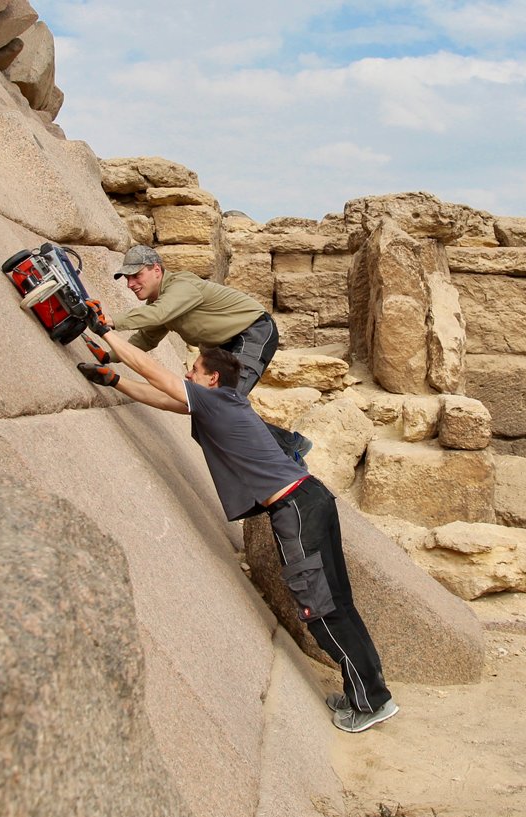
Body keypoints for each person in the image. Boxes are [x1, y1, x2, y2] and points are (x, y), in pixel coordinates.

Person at [76, 297, 397, 733]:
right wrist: (114, 380)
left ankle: (369, 704)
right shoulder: (218, 403)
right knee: (337, 602)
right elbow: (160, 397)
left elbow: (156, 375)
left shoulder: (216, 401)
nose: (187, 375)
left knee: (321, 608)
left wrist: (105, 332)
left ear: (210, 379)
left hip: (296, 511)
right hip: (309, 501)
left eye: (192, 371)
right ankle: (368, 692)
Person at [84, 244, 310, 461]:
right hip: (223, 346)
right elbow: (146, 338)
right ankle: (285, 446)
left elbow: (159, 314)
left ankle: (288, 447)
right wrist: (108, 356)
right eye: (127, 278)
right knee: (205, 404)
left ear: (156, 270)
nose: (130, 284)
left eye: (136, 275)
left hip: (252, 332)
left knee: (222, 403)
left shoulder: (181, 286)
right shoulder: (161, 303)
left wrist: (109, 321)